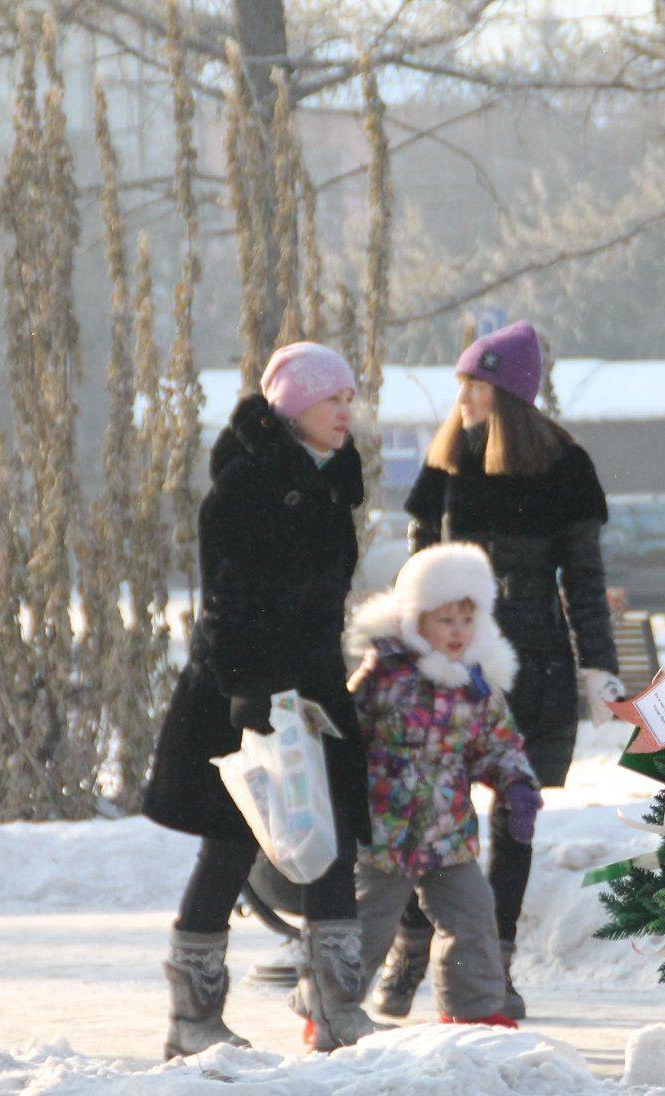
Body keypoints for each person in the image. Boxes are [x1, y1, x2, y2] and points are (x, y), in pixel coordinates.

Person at [376, 320, 623, 1021]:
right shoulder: (446, 462)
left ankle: (493, 966)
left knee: (516, 818)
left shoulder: (563, 466)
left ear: (508, 392)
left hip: (535, 665)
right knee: (435, 809)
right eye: (460, 384)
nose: (462, 398)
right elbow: (414, 576)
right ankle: (410, 949)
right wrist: (400, 653)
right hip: (451, 666)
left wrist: (598, 668)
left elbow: (584, 580)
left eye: (474, 385)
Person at [142, 342, 384, 1056]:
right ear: (293, 405)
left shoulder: (330, 483)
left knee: (333, 841)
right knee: (231, 844)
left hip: (313, 690)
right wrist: (248, 689)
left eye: (349, 398)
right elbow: (229, 601)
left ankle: (337, 1007)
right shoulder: (248, 485)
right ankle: (192, 1019)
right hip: (242, 692)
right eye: (331, 398)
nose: (345, 412)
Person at [345, 543, 542, 1028]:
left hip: (448, 829)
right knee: (367, 924)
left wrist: (517, 784)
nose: (457, 632)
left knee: (473, 915)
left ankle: (473, 1008)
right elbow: (348, 731)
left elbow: (499, 743)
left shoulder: (476, 686)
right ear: (416, 620)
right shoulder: (386, 675)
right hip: (384, 828)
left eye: (466, 621)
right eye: (445, 620)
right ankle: (332, 1006)